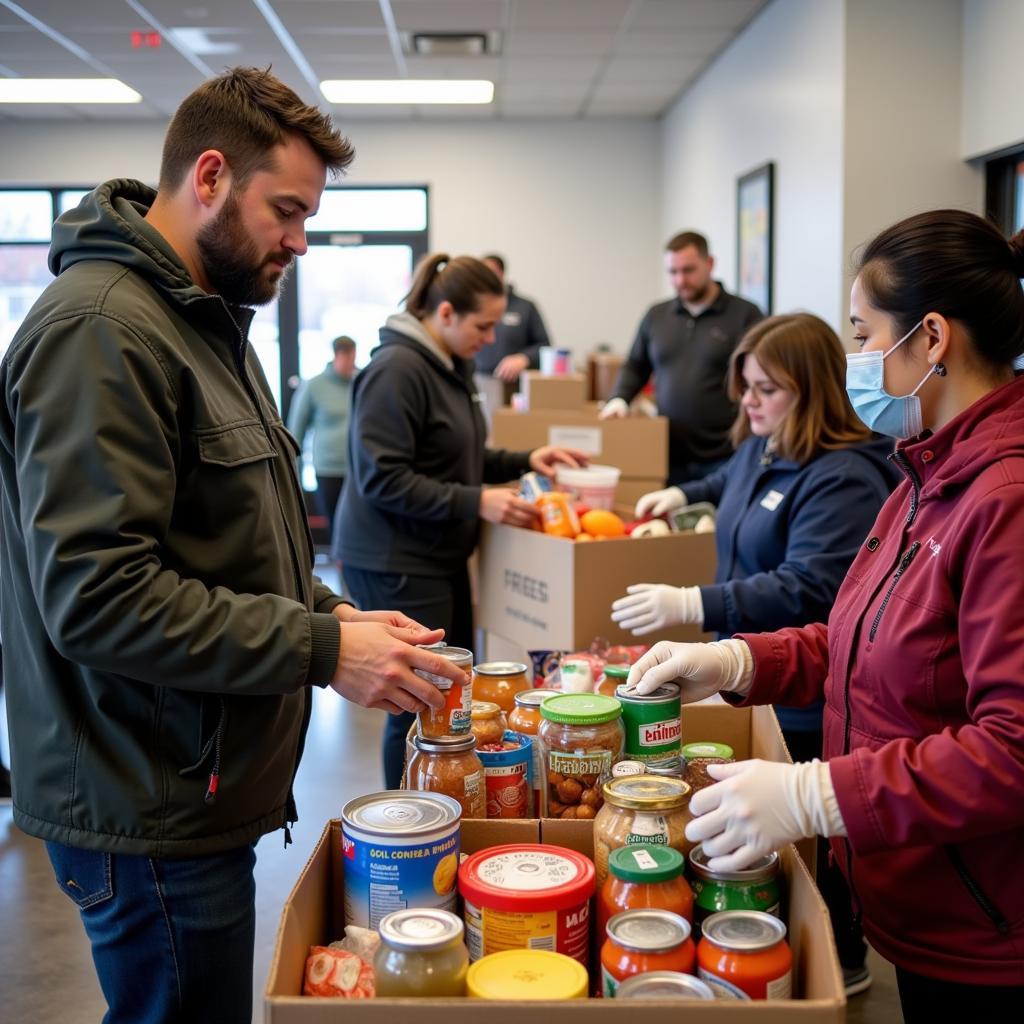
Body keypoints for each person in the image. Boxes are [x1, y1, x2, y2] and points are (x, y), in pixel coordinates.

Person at [0, 68, 463, 1024]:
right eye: (285, 210)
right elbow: (98, 596)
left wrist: (334, 612)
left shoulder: (203, 321)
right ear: (209, 176)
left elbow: (218, 543)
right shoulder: (102, 330)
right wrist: (324, 651)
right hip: (145, 797)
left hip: (189, 777)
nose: (300, 239)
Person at [627, 210, 1024, 1020]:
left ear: (933, 338)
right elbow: (866, 639)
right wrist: (740, 661)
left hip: (989, 923)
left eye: (861, 330)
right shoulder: (924, 472)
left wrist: (818, 796)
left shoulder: (1004, 500)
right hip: (920, 894)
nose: (855, 357)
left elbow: (1012, 750)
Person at [610, 312, 897, 994]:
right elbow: (728, 479)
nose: (749, 401)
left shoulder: (843, 479)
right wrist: (685, 493)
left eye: (766, 388)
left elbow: (811, 582)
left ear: (811, 390)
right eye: (746, 386)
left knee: (813, 848)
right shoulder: (766, 446)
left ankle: (839, 958)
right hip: (758, 677)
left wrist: (696, 603)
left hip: (807, 692)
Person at [334, 253, 585, 788]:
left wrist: (524, 461)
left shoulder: (452, 366)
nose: (491, 339)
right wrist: (478, 500)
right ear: (445, 312)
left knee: (454, 694)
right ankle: (409, 818)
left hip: (439, 554)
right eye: (483, 326)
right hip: (395, 558)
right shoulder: (395, 371)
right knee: (416, 702)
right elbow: (383, 479)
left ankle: (454, 805)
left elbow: (462, 455)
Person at [600, 231, 763, 481]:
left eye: (688, 270)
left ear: (710, 264)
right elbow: (636, 365)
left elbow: (761, 378)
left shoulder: (745, 314)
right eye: (672, 272)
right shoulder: (656, 316)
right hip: (668, 452)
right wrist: (619, 399)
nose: (680, 280)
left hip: (726, 453)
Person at [287, 333, 357, 545]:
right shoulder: (314, 386)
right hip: (328, 469)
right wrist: (293, 470)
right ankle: (340, 569)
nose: (350, 365)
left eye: (353, 359)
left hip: (356, 470)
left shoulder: (360, 383)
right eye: (346, 359)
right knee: (336, 525)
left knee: (355, 526)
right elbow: (296, 429)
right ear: (337, 356)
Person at [474, 253, 551, 384]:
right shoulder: (471, 307)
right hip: (478, 381)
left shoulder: (525, 307)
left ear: (502, 274)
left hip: (513, 384)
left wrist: (523, 358)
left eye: (491, 273)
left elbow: (544, 346)